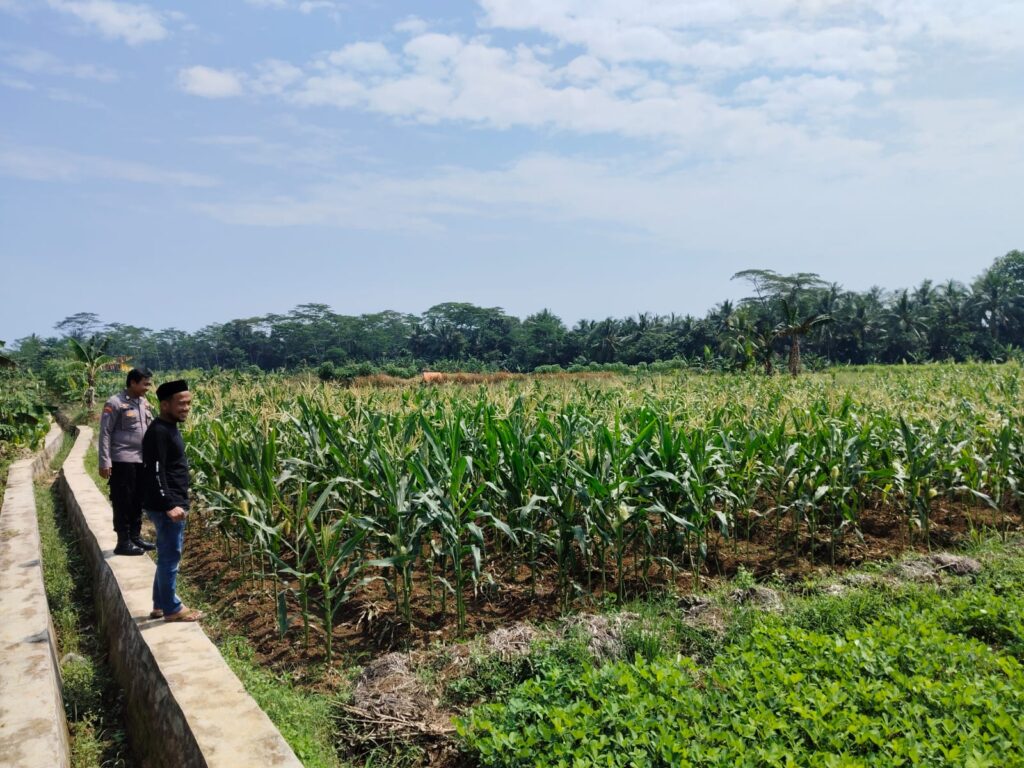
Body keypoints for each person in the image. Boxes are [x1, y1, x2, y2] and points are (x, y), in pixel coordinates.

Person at [141, 379, 203, 622]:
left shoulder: (167, 427)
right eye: (181, 403)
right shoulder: (159, 432)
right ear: (165, 405)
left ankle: (159, 605)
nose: (186, 407)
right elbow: (154, 471)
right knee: (170, 557)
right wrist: (169, 505)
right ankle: (172, 609)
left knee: (167, 554)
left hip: (168, 503)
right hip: (168, 506)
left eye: (188, 403)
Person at [98, 367, 156, 556]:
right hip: (122, 460)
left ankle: (135, 537)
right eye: (145, 383)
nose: (148, 387)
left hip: (142, 460)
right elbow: (105, 432)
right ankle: (123, 542)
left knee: (138, 499)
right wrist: (105, 461)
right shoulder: (115, 403)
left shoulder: (144, 403)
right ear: (133, 382)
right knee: (123, 500)